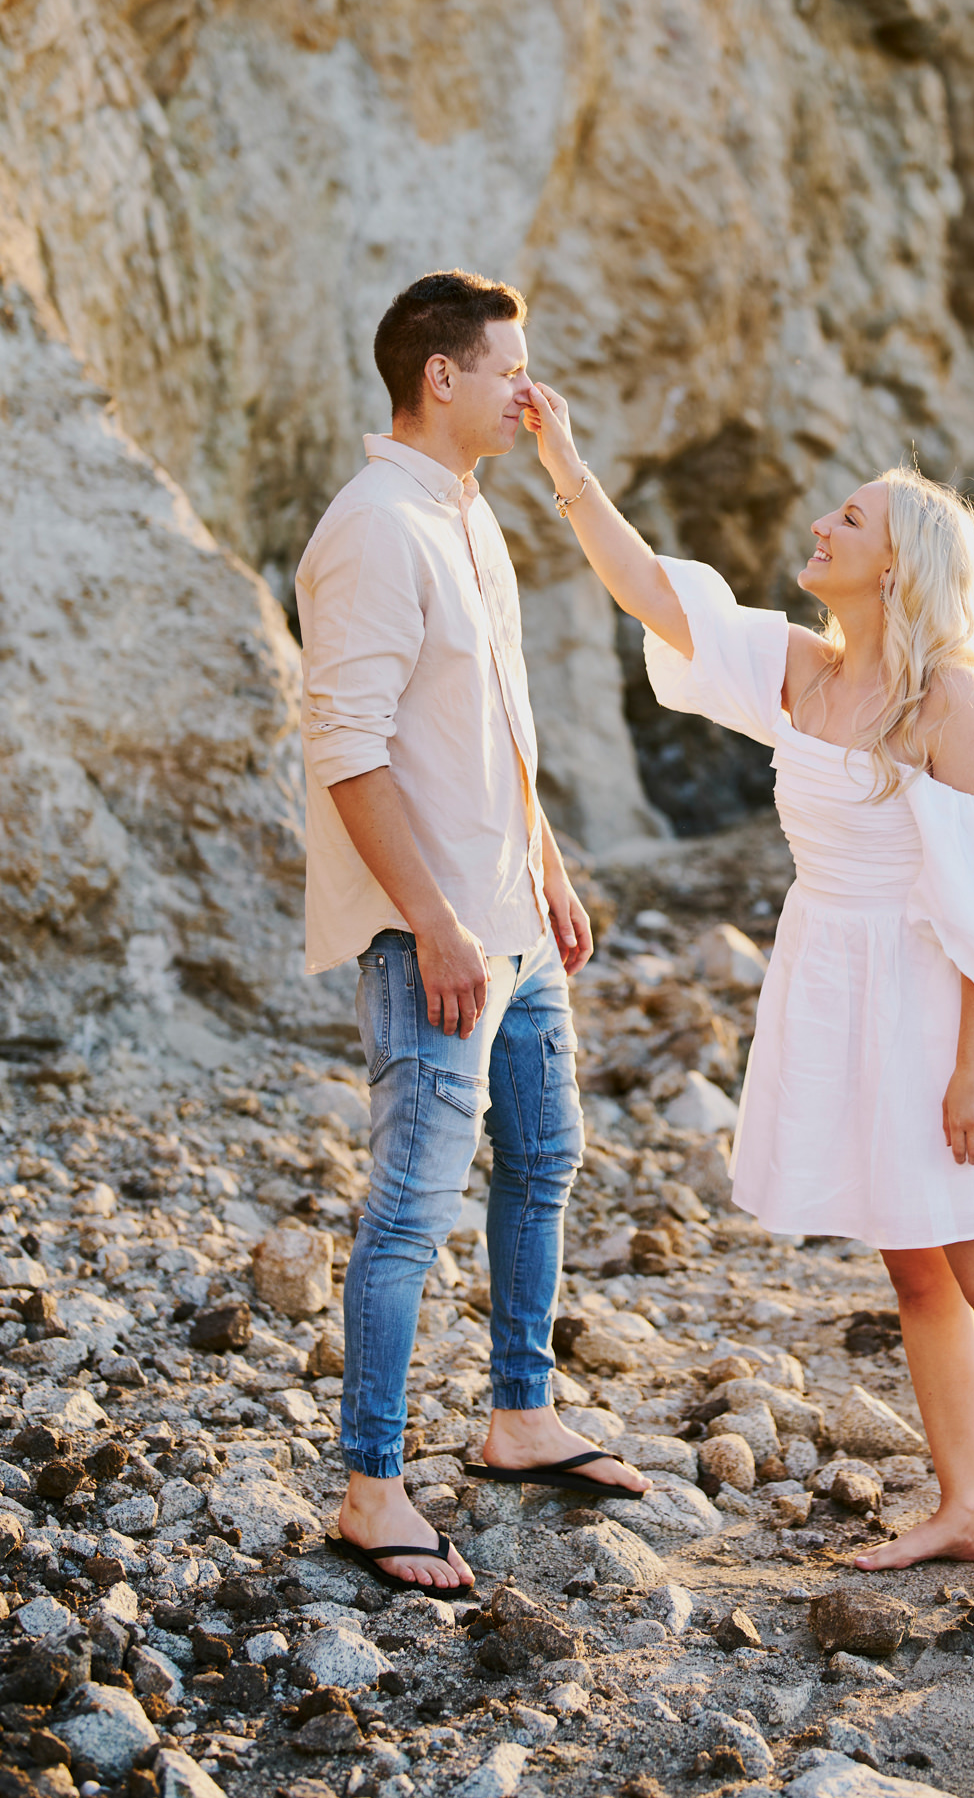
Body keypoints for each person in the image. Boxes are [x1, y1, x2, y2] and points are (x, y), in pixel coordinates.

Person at [521, 381, 974, 1642]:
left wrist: (972, 1071)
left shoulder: (950, 701)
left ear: (903, 563)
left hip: (940, 1000)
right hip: (834, 984)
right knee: (914, 1272)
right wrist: (564, 461)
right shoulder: (802, 669)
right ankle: (964, 1508)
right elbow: (655, 594)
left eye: (853, 518)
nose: (824, 527)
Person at [295, 271, 650, 1595]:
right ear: (439, 375)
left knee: (545, 1153)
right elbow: (347, 749)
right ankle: (371, 1487)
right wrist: (434, 921)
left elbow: (494, 731)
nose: (529, 389)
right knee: (410, 1205)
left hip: (515, 921)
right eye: (510, 367)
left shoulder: (468, 513)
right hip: (433, 934)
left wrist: (548, 868)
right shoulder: (375, 526)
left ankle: (517, 1414)